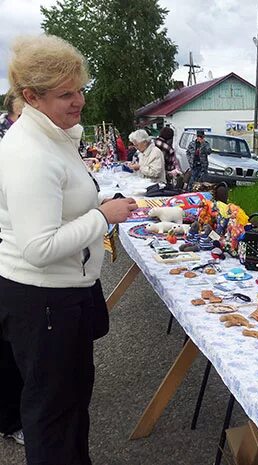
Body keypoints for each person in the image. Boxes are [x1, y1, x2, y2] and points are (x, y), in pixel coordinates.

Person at [0, 34, 137, 464]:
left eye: (80, 89)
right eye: (65, 94)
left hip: (61, 293)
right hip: (43, 298)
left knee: (71, 403)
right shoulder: (30, 152)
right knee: (53, 415)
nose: (78, 100)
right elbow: (39, 247)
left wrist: (92, 208)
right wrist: (102, 217)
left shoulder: (54, 136)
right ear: (31, 97)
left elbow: (58, 210)